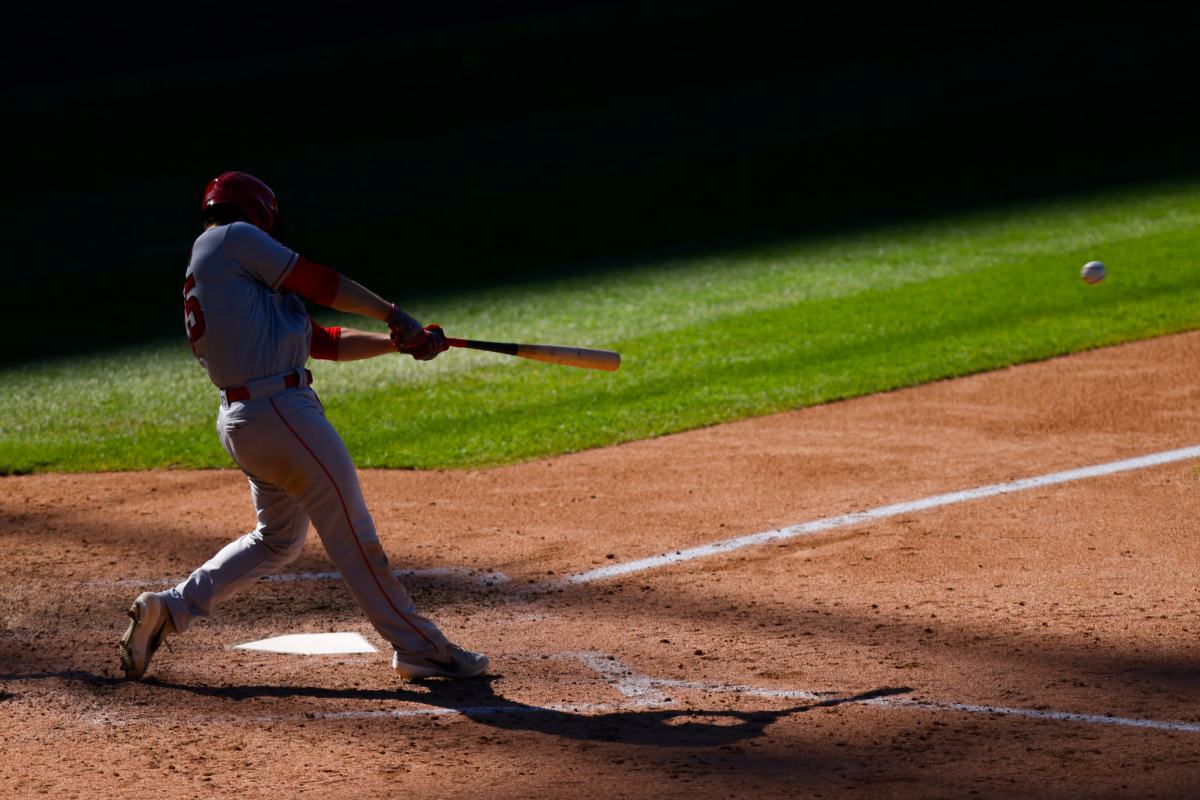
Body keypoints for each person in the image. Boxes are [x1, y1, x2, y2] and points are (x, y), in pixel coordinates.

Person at [119, 171, 487, 682]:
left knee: (278, 540)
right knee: (354, 534)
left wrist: (401, 341)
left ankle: (171, 608)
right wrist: (394, 314)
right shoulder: (233, 238)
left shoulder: (226, 274)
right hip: (282, 415)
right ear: (257, 213)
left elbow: (325, 341)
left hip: (248, 421)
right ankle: (421, 647)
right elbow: (322, 283)